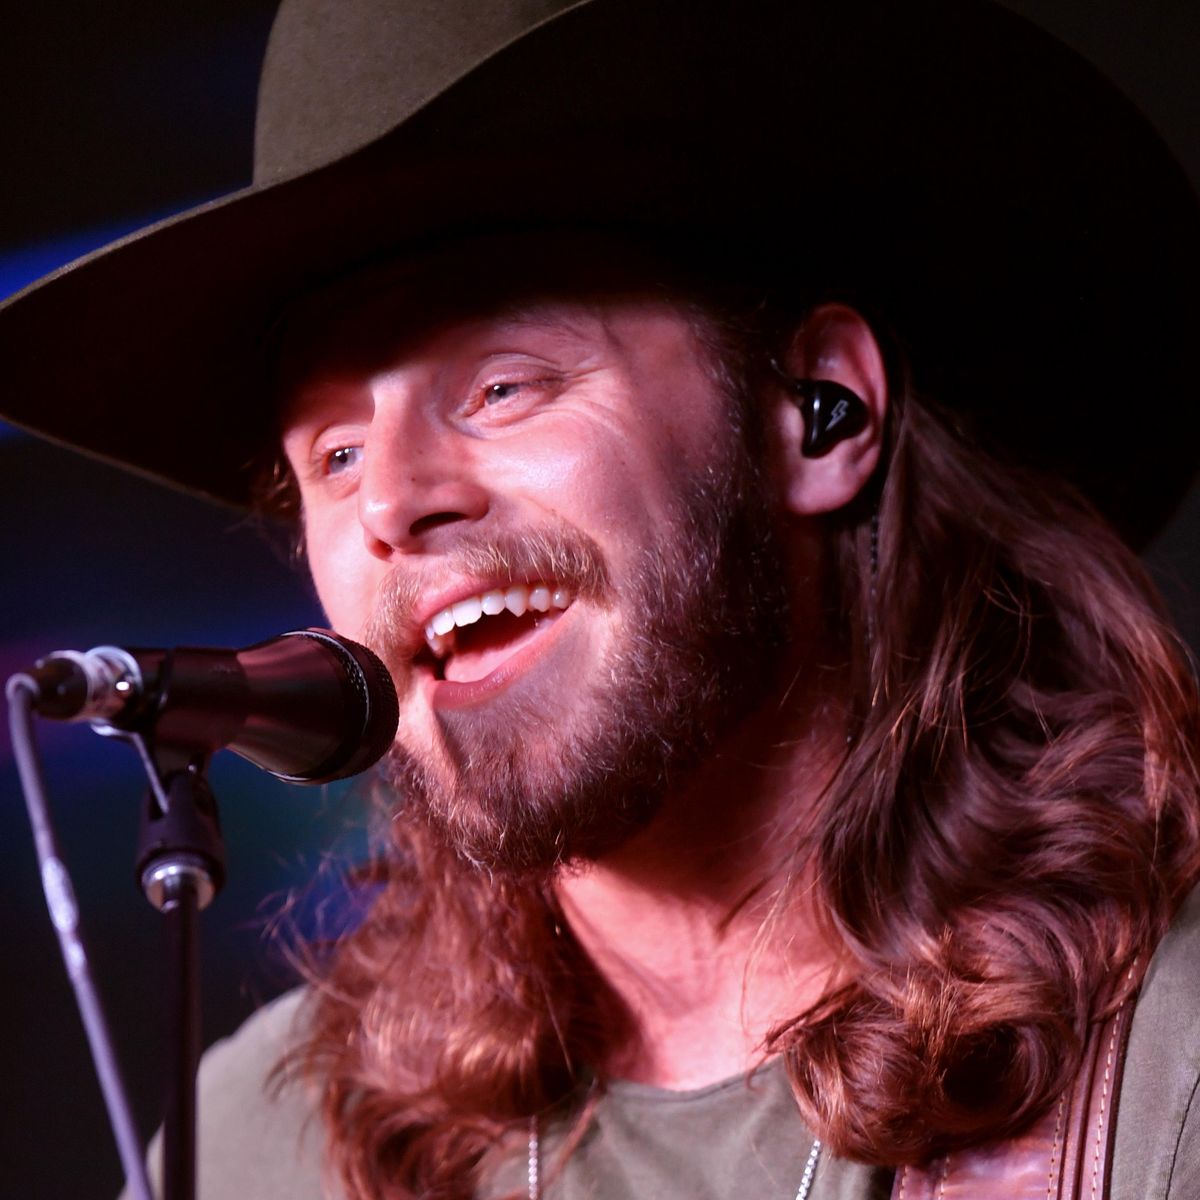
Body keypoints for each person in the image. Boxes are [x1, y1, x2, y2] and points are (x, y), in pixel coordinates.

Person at [4, 1, 1200, 1198]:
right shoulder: (261, 1150)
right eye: (336, 456)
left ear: (819, 416)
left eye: (502, 387)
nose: (392, 504)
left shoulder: (1168, 1065)